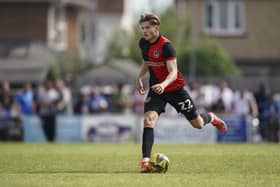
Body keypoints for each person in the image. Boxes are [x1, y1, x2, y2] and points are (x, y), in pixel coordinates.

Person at [136, 13, 228, 173]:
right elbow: (147, 61)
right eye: (142, 28)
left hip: (175, 89)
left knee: (197, 124)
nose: (145, 31)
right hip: (157, 90)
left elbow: (173, 72)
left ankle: (211, 117)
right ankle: (145, 162)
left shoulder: (167, 46)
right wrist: (139, 77)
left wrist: (163, 85)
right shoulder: (143, 43)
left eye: (147, 28)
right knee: (148, 120)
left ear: (156, 27)